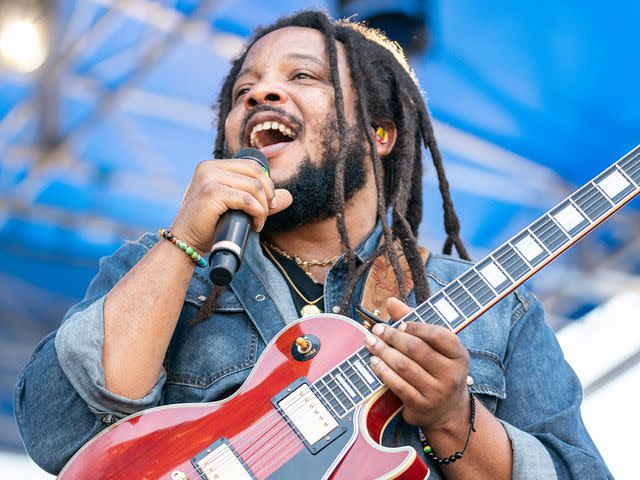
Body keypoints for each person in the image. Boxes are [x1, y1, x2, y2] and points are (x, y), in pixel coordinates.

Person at [14, 10, 611, 479]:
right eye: (242, 90)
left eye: (302, 76)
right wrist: (186, 240)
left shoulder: (497, 314)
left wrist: (456, 422)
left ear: (379, 134)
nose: (259, 95)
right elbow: (57, 434)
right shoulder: (157, 266)